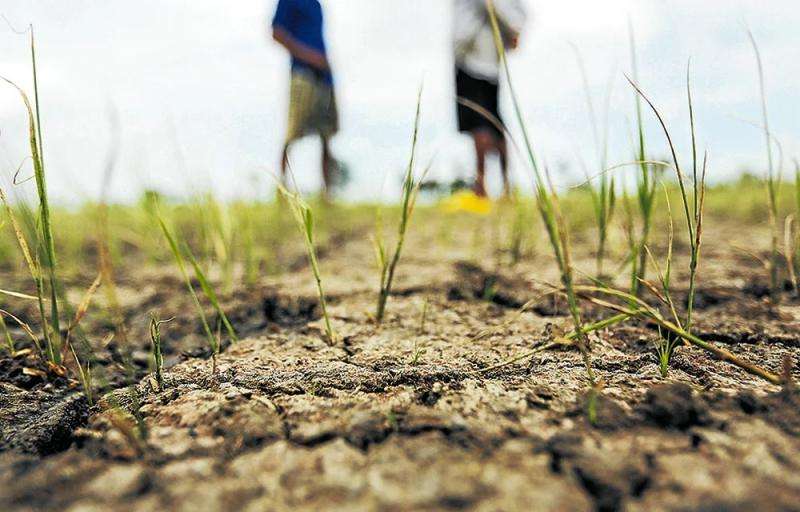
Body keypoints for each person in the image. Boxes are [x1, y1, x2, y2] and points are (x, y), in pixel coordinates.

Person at [453, 0, 527, 197]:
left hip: (473, 53)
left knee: (479, 121)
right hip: (489, 55)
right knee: (493, 119)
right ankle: (505, 187)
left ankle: (482, 187)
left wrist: (512, 29)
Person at [271, 0, 338, 196]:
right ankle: (282, 190)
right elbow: (277, 32)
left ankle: (327, 193)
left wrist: (323, 62)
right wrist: (309, 56)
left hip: (325, 76)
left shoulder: (316, 4)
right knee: (292, 131)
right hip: (303, 74)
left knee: (326, 134)